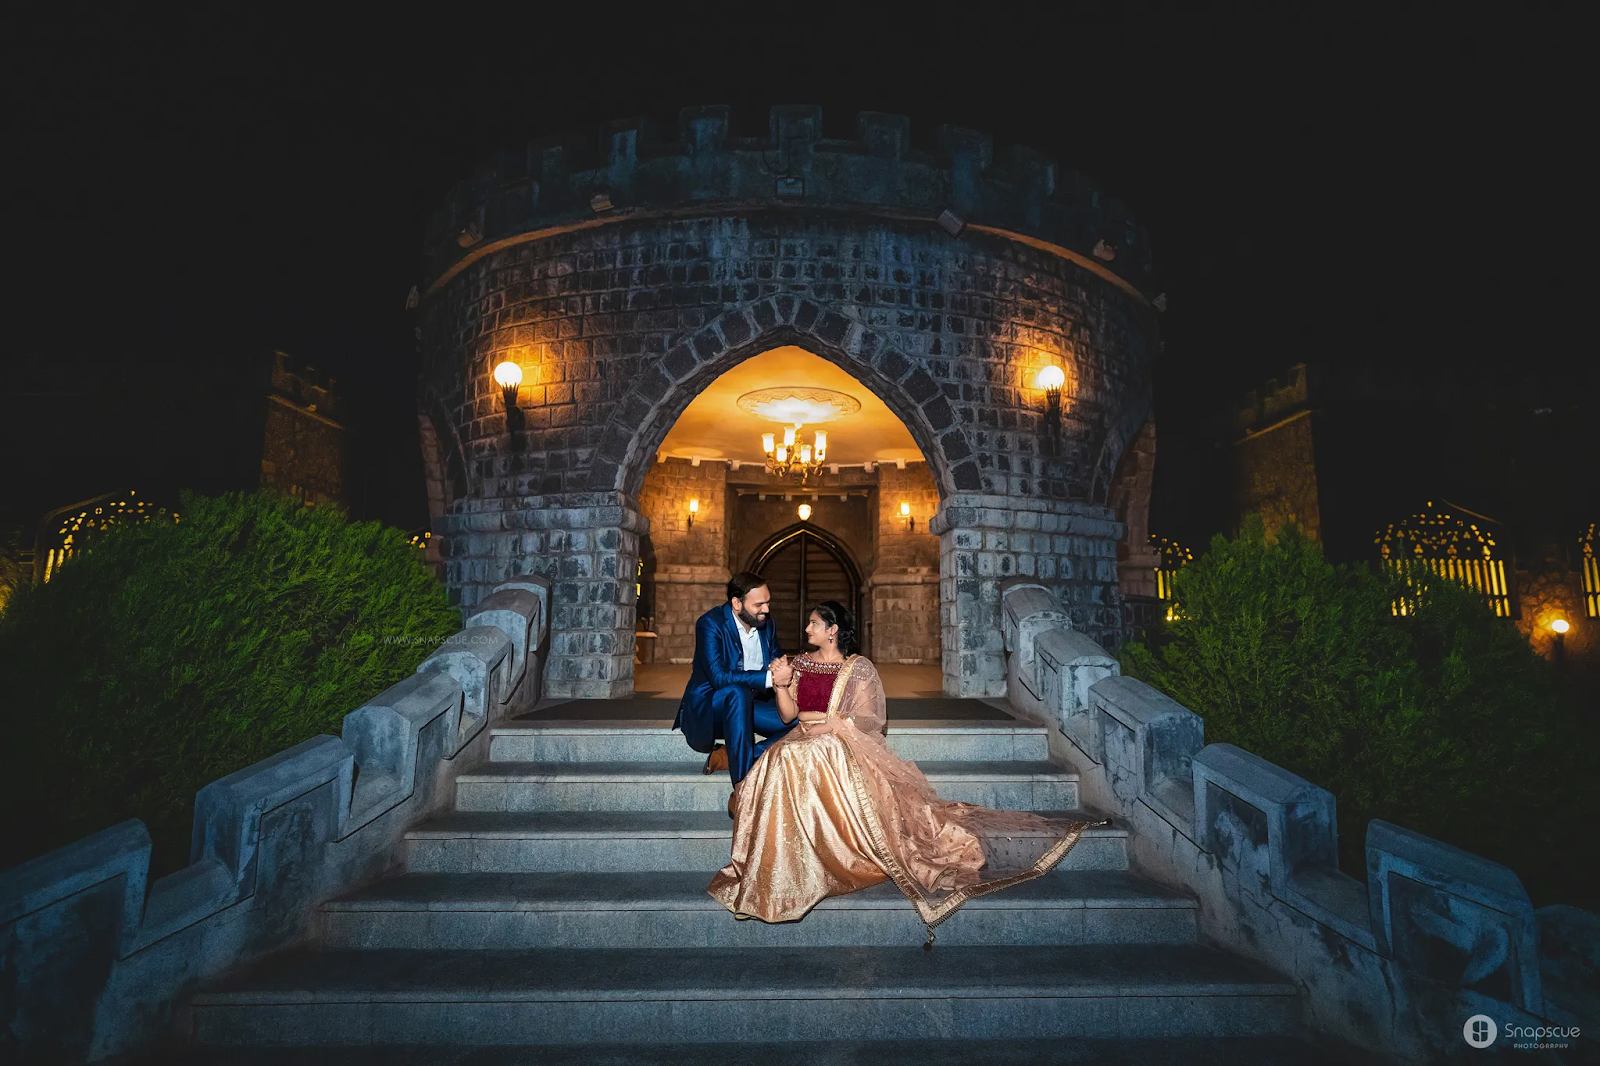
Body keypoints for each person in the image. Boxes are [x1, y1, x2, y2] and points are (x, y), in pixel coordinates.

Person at [708, 600, 1105, 946]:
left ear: (831, 632)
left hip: (835, 743)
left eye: (814, 623)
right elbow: (788, 716)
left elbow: (866, 721)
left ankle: (820, 855)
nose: (807, 628)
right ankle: (780, 863)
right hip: (801, 737)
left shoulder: (857, 669)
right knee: (782, 759)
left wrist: (833, 727)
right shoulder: (798, 664)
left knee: (804, 757)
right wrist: (780, 685)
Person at [672, 571, 793, 816]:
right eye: (759, 604)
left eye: (768, 602)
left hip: (750, 705)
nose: (766, 610)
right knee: (736, 693)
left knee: (801, 720)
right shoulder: (710, 624)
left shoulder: (765, 624)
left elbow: (774, 658)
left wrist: (780, 667)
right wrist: (769, 678)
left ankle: (733, 754)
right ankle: (742, 790)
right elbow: (718, 677)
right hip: (709, 711)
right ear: (737, 603)